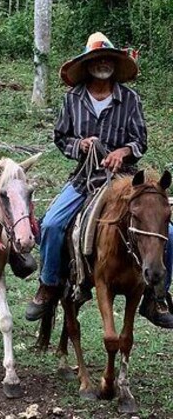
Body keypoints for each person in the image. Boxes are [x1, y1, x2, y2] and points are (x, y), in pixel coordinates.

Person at [25, 32, 173, 328]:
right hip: (85, 178)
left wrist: (123, 151)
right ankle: (48, 285)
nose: (102, 63)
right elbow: (61, 137)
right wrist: (78, 145)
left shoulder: (130, 99)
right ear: (88, 64)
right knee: (52, 224)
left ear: (115, 65)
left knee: (169, 230)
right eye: (97, 59)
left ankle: (157, 296)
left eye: (108, 59)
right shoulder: (72, 99)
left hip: (127, 179)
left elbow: (140, 141)